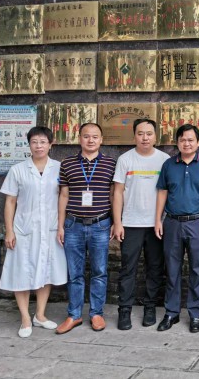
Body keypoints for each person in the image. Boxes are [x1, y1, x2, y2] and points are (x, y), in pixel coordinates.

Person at [0, 126, 67, 338]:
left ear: (51, 144)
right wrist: (9, 231)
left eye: (43, 142)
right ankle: (25, 318)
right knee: (22, 271)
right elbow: (10, 202)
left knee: (46, 270)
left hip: (50, 228)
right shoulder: (18, 170)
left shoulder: (59, 168)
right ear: (29, 145)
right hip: (23, 229)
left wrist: (61, 226)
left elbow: (64, 197)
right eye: (34, 142)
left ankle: (40, 315)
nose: (39, 146)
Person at [56, 123, 116, 334]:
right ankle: (74, 315)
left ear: (101, 139)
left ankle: (96, 313)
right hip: (73, 225)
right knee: (75, 273)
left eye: (95, 137)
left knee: (99, 271)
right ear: (79, 138)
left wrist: (116, 222)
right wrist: (60, 225)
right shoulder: (67, 164)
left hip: (101, 224)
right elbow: (63, 195)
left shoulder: (111, 163)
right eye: (86, 136)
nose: (91, 140)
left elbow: (113, 195)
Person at [155, 124, 199, 333]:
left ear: (198, 142)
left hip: (198, 222)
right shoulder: (169, 165)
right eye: (182, 140)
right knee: (172, 269)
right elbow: (162, 192)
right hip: (172, 222)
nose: (186, 143)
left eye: (190, 140)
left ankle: (196, 314)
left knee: (197, 269)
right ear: (177, 142)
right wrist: (158, 219)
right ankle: (171, 312)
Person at [113, 119, 169, 330]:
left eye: (149, 133)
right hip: (130, 223)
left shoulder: (164, 160)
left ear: (156, 136)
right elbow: (117, 193)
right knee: (128, 268)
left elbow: (167, 192)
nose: (145, 138)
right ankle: (124, 310)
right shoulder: (125, 159)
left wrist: (162, 220)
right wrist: (118, 222)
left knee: (155, 268)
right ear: (134, 135)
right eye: (140, 133)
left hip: (157, 225)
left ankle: (150, 307)